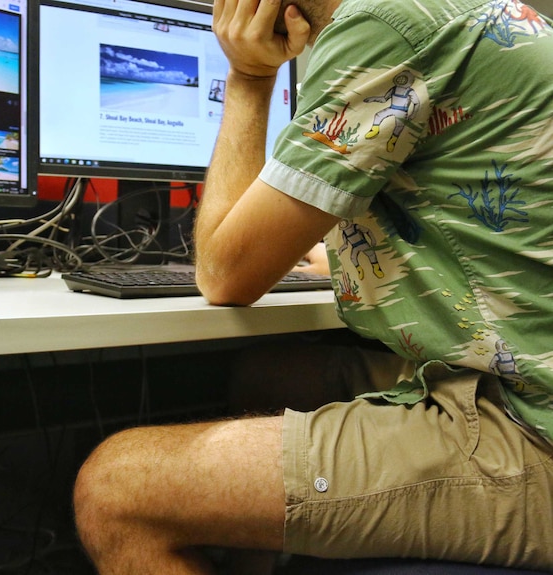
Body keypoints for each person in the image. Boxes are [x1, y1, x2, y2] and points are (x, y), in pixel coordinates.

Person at [73, 0, 553, 572]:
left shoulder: (383, 24)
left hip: (533, 426)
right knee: (266, 374)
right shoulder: (466, 12)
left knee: (116, 488)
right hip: (517, 373)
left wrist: (250, 78)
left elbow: (226, 277)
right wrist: (350, 257)